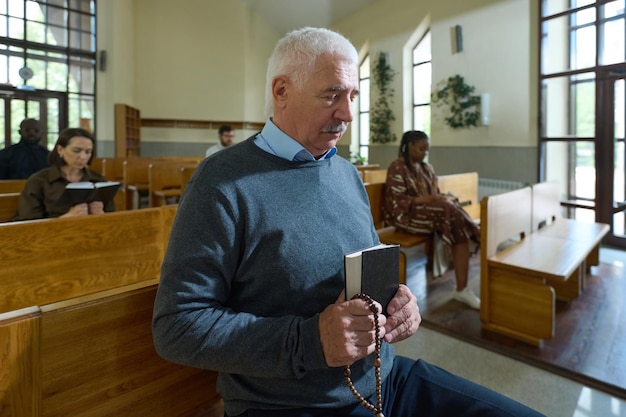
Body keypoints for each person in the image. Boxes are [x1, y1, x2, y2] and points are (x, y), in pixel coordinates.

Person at [152, 27, 544, 417]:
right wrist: (309, 340)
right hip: (289, 403)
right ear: (281, 91)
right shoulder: (222, 181)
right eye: (332, 95)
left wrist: (399, 302)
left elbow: (367, 269)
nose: (348, 113)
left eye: (353, 95)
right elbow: (178, 326)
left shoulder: (345, 173)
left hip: (385, 378)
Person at [383, 130, 482, 310]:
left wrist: (441, 198)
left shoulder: (427, 168)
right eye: (421, 149)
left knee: (451, 210)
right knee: (450, 212)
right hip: (405, 217)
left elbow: (434, 194)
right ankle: (477, 235)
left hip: (428, 214)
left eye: (427, 150)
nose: (424, 153)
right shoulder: (397, 167)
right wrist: (431, 200)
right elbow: (397, 201)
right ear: (410, 146)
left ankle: (462, 288)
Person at [14, 127, 115, 221]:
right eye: (77, 151)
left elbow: (113, 219)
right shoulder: (39, 181)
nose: (83, 157)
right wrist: (66, 218)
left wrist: (101, 215)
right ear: (60, 150)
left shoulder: (98, 180)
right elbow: (27, 223)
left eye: (88, 152)